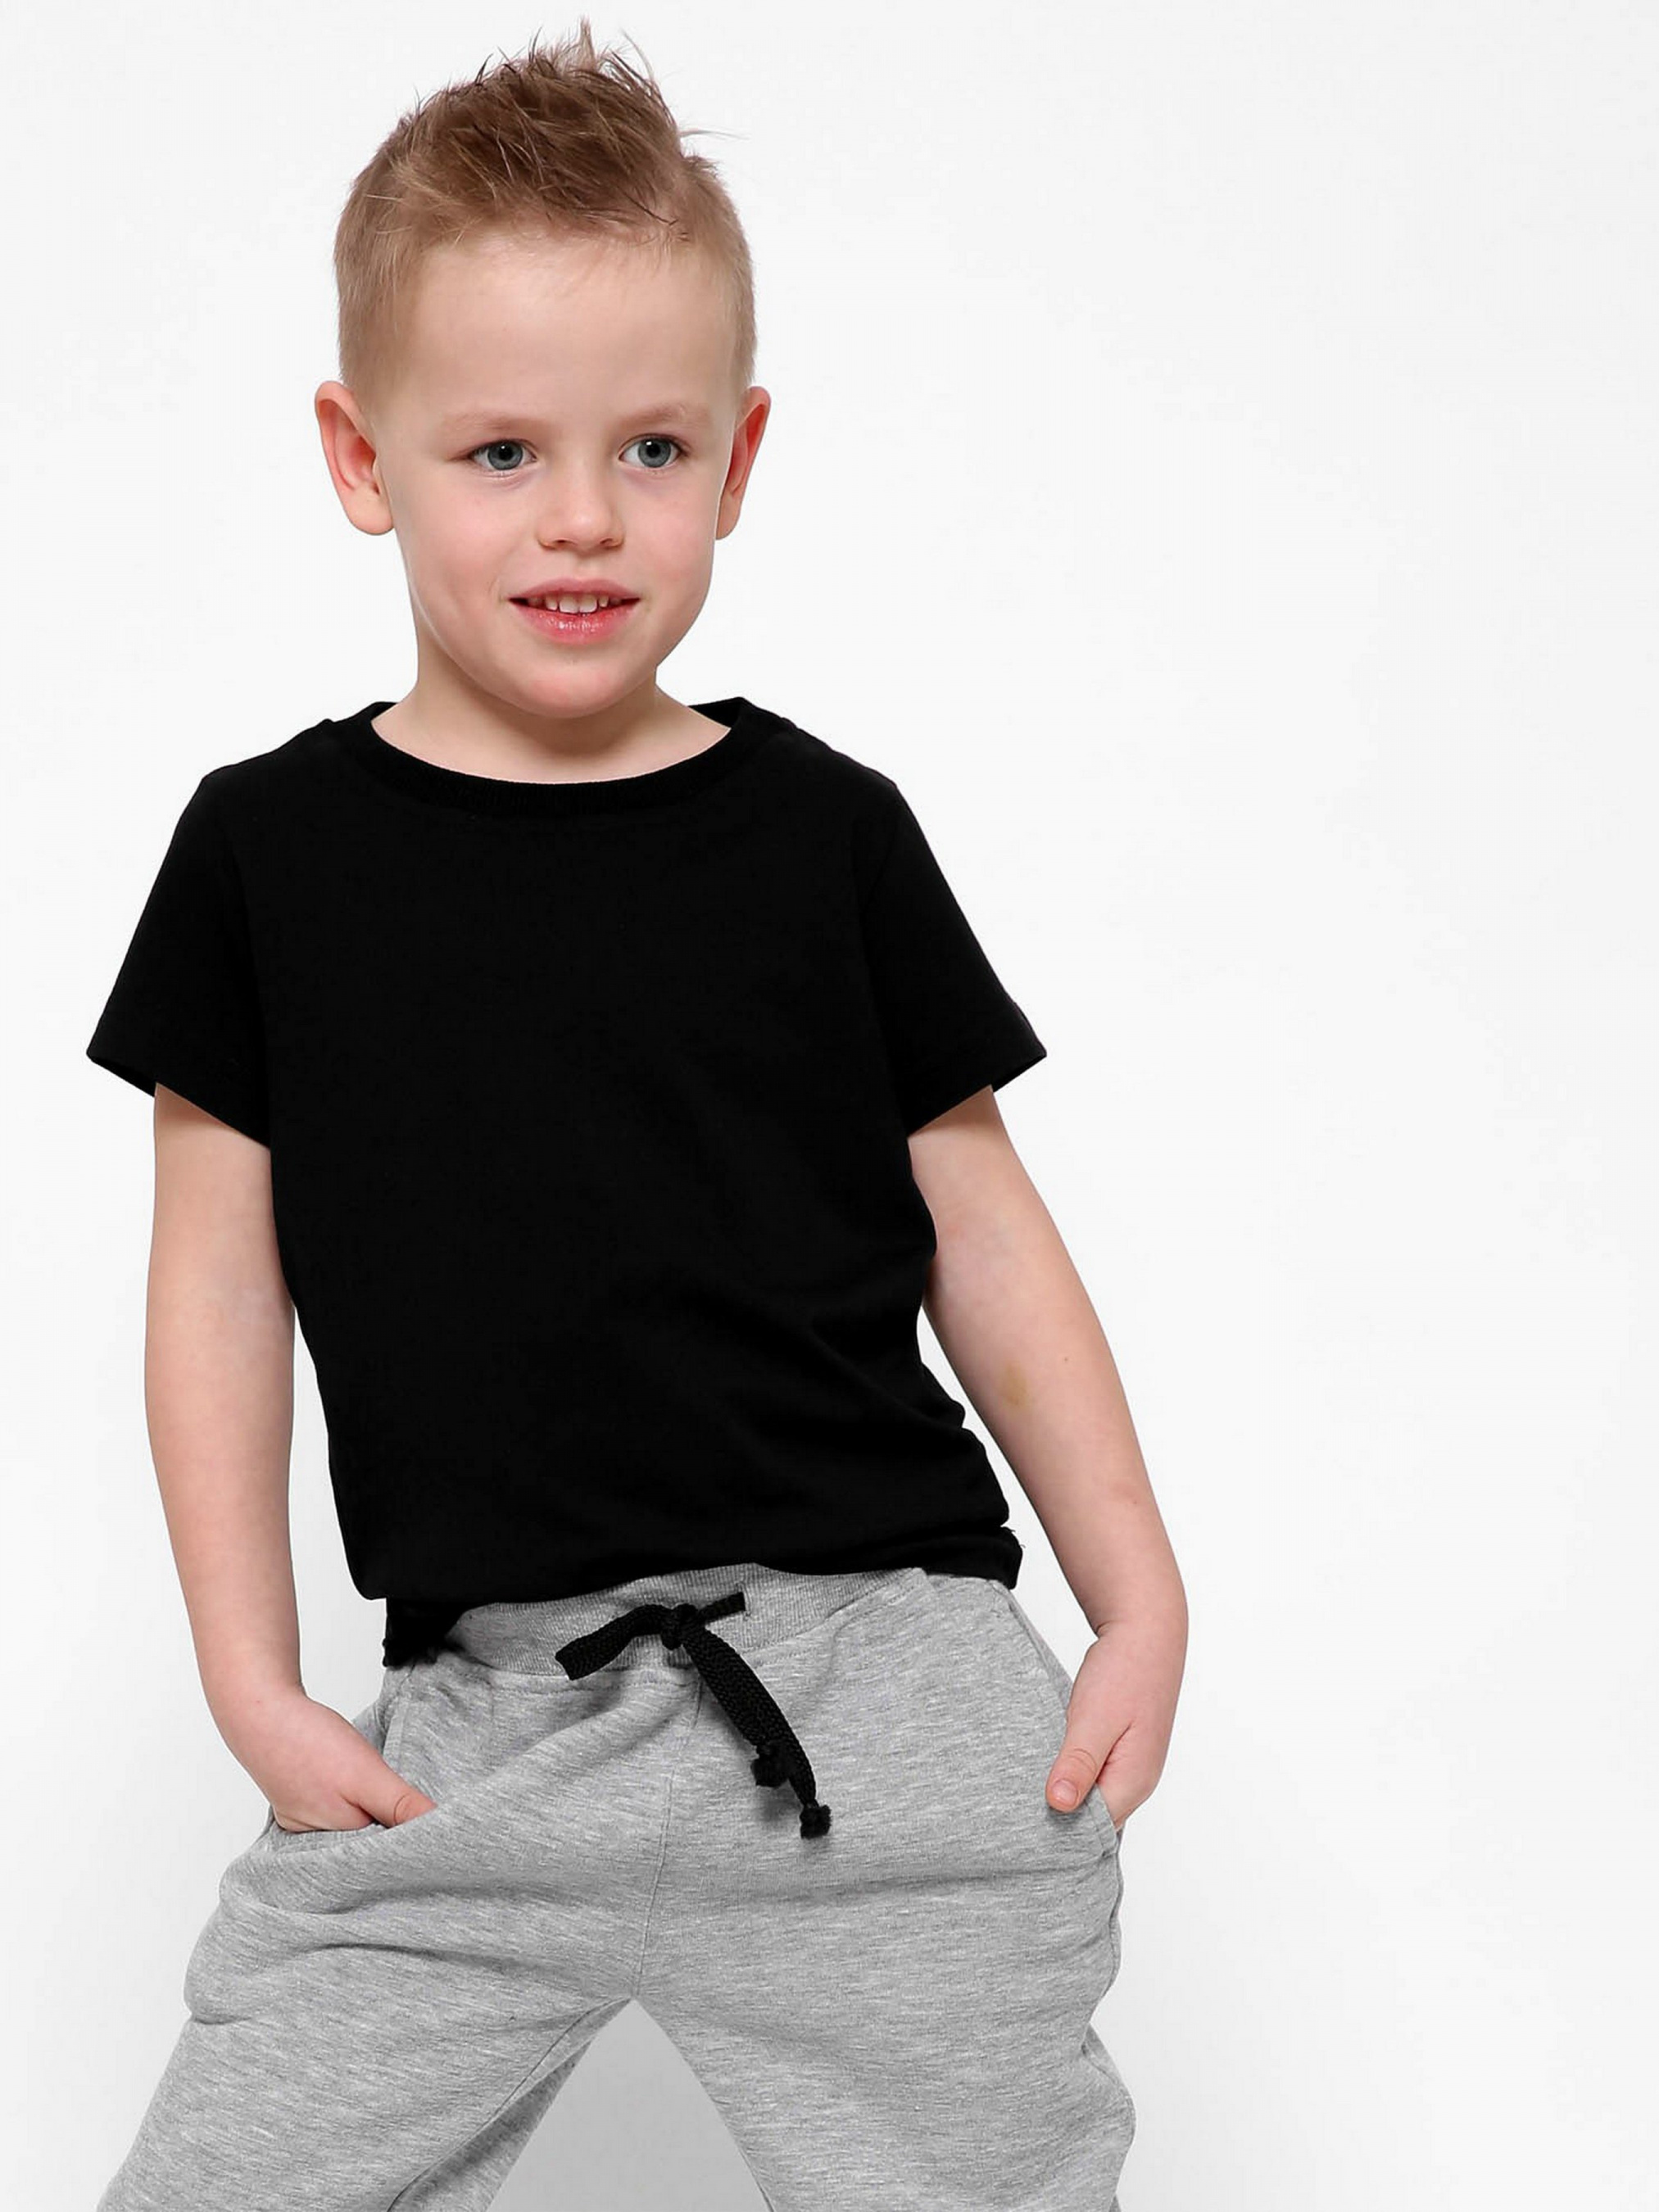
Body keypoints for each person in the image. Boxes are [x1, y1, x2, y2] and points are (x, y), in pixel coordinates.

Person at [84, 22, 1186, 2210]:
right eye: (500, 448)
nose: (582, 515)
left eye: (651, 446)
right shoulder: (266, 856)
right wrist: (251, 1678)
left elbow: (978, 1217)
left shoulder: (826, 832)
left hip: (886, 1698)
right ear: (361, 455)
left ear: (739, 457)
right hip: (489, 1733)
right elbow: (213, 1285)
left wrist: (1132, 1590)